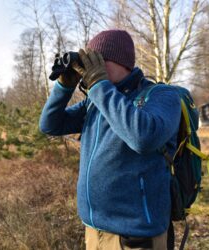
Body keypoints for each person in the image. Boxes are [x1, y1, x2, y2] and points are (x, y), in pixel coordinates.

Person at [39, 29, 181, 250]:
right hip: (94, 231)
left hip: (135, 238)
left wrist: (98, 84)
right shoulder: (95, 101)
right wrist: (64, 86)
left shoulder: (161, 95)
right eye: (88, 63)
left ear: (121, 61)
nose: (90, 69)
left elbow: (143, 138)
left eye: (97, 61)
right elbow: (50, 124)